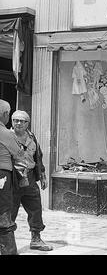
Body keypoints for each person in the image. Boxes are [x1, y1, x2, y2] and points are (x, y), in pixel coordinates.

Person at [10, 110, 53, 251]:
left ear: (28, 123)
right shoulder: (6, 137)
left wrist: (42, 175)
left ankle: (36, 239)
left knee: (35, 209)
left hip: (29, 178)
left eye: (22, 121)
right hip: (12, 179)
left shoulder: (32, 137)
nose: (19, 123)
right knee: (9, 212)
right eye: (16, 120)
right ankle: (6, 242)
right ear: (11, 121)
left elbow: (38, 157)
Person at [0, 99, 24, 255]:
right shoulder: (6, 133)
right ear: (5, 114)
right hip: (2, 176)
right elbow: (19, 154)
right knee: (4, 213)